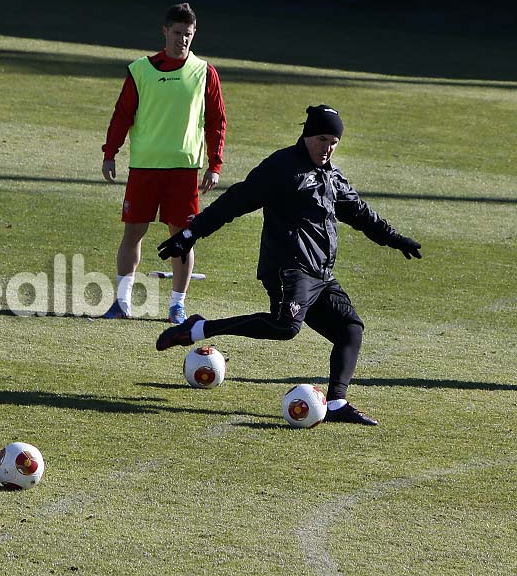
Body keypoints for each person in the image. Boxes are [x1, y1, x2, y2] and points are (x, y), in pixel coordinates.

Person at [154, 105, 422, 425]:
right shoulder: (281, 168)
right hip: (288, 268)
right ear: (307, 135)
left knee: (350, 329)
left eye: (334, 142)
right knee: (286, 326)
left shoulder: (332, 178)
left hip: (321, 274)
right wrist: (191, 233)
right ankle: (198, 328)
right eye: (322, 139)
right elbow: (235, 201)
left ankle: (336, 403)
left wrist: (396, 239)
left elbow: (362, 215)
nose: (327, 148)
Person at [101, 2, 226, 324]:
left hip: (184, 169)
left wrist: (215, 165)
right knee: (133, 233)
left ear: (194, 34)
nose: (182, 40)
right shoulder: (140, 70)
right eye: (177, 33)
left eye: (188, 34)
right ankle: (122, 303)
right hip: (144, 167)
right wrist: (110, 153)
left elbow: (216, 122)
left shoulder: (204, 73)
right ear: (165, 32)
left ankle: (176, 306)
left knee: (182, 238)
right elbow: (122, 115)